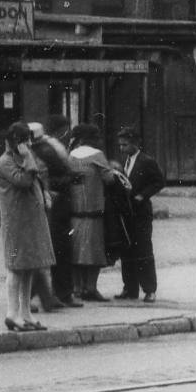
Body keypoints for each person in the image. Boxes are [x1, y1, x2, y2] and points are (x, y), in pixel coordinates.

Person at [0, 123, 57, 333]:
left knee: (29, 267)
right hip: (16, 225)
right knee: (15, 267)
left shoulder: (22, 158)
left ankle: (26, 314)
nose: (29, 144)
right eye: (24, 140)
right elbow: (23, 180)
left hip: (30, 222)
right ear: (14, 142)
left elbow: (38, 178)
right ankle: (12, 314)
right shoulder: (5, 161)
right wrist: (29, 158)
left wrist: (45, 193)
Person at [109, 127, 167, 301]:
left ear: (135, 143)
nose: (122, 148)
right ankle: (130, 288)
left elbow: (159, 181)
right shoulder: (124, 160)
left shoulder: (146, 161)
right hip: (126, 213)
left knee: (143, 250)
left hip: (140, 212)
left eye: (125, 144)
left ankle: (149, 289)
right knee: (127, 251)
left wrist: (143, 195)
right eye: (120, 145)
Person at [33, 117, 81, 307]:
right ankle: (61, 293)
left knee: (45, 252)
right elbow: (54, 179)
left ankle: (46, 296)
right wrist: (72, 179)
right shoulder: (48, 151)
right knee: (59, 250)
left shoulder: (34, 151)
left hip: (47, 205)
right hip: (56, 205)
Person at [65, 124, 114, 300]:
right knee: (94, 250)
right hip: (93, 211)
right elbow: (109, 179)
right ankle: (91, 288)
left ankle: (77, 287)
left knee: (76, 250)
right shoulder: (97, 155)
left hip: (75, 212)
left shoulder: (70, 156)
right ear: (91, 139)